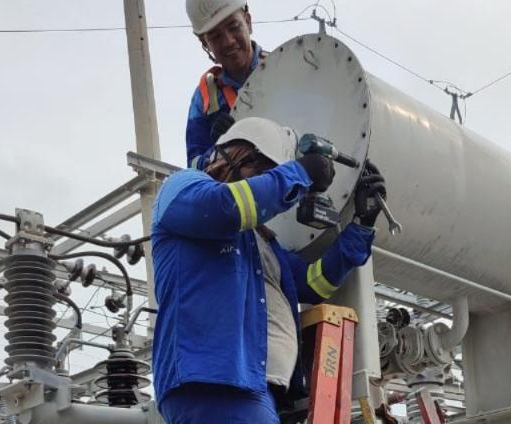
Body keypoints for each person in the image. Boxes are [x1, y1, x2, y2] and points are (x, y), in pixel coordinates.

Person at [151, 117, 387, 423]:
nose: (267, 183)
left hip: (257, 389)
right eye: (262, 172)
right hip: (213, 382)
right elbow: (226, 208)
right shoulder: (181, 187)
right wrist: (300, 172)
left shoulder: (258, 241)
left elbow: (314, 284)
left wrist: (362, 226)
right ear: (235, 155)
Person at [184, 0, 265, 170]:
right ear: (205, 44)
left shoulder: (284, 67)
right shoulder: (204, 98)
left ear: (248, 22)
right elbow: (193, 169)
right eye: (215, 36)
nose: (228, 41)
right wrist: (218, 149)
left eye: (234, 27)